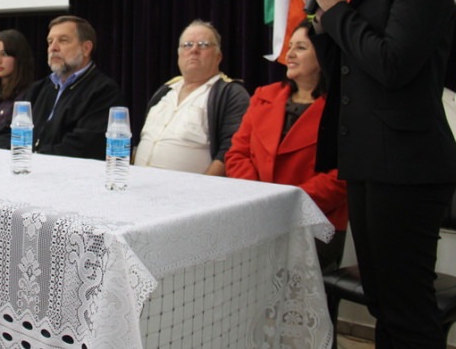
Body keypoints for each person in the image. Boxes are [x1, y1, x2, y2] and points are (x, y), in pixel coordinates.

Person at [302, 0, 456, 348]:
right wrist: (326, 25)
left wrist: (339, 11)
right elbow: (352, 72)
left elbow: (393, 63)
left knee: (406, 307)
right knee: (383, 302)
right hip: (372, 161)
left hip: (408, 167)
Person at [225, 21, 347, 272]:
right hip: (257, 213)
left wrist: (287, 204)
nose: (288, 54)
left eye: (300, 47)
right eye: (289, 46)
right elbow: (237, 154)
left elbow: (344, 175)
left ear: (325, 52)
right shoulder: (263, 95)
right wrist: (258, 199)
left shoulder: (343, 106)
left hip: (313, 222)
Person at [136, 20, 249, 175]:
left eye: (203, 44)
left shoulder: (230, 94)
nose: (194, 50)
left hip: (192, 195)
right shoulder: (165, 91)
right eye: (187, 45)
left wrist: (202, 191)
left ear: (218, 57)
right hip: (139, 188)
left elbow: (231, 151)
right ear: (178, 55)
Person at [22, 16, 123, 160]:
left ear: (86, 48)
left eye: (63, 40)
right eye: (50, 42)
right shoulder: (37, 89)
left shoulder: (104, 91)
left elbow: (83, 147)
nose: (53, 48)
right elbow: (8, 133)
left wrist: (33, 158)